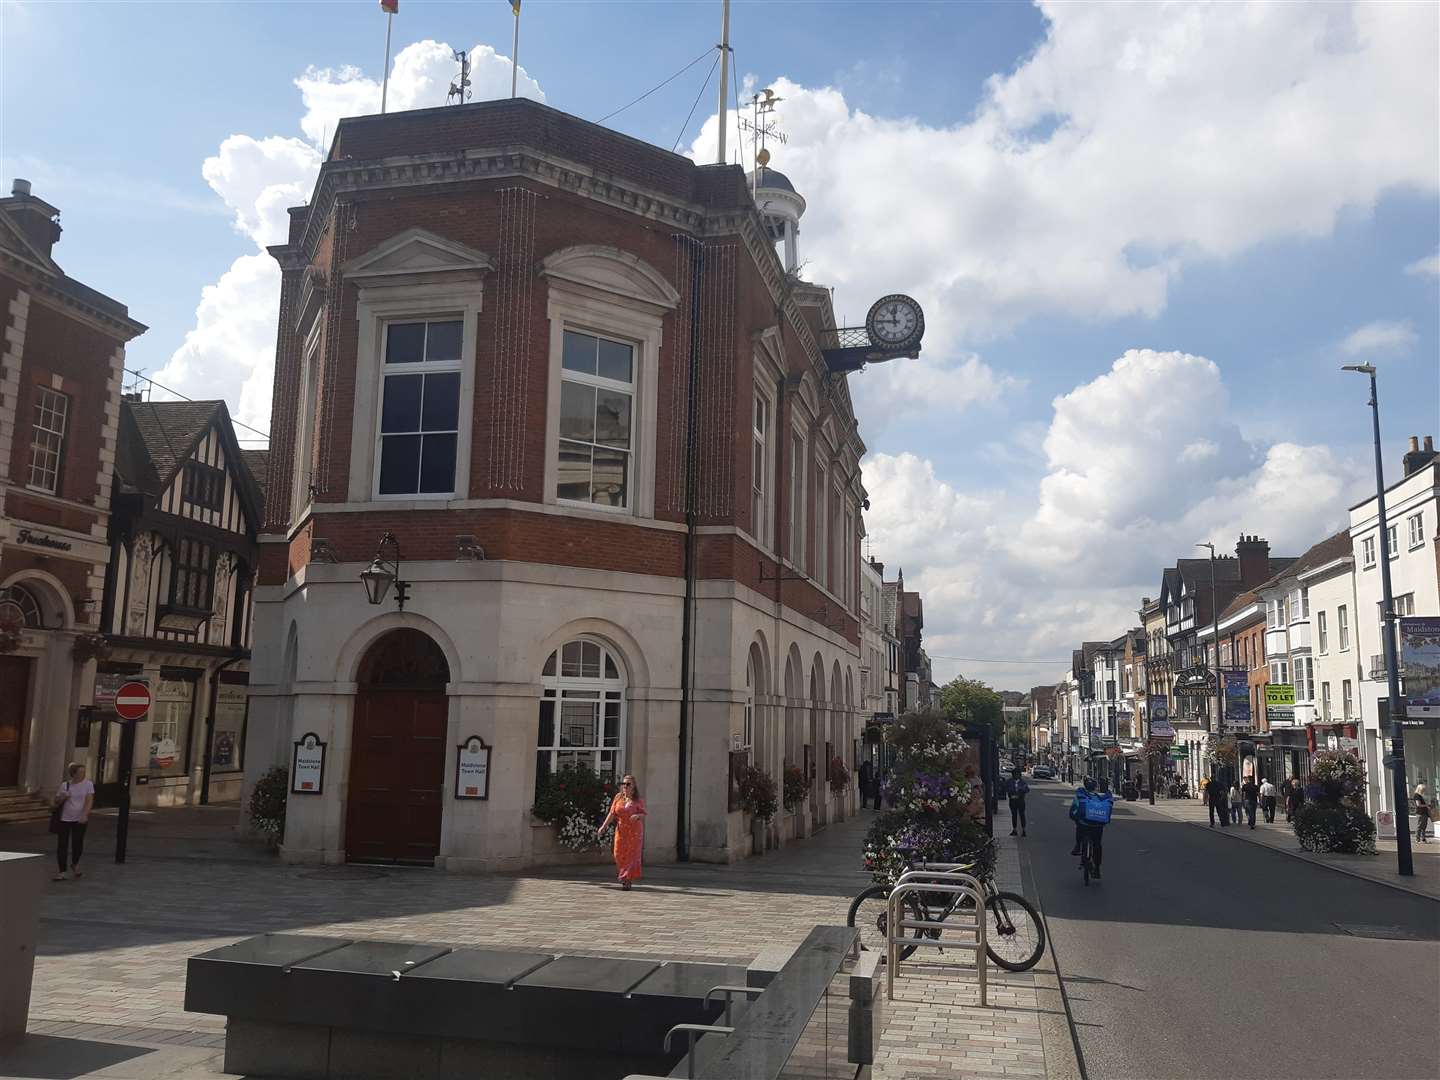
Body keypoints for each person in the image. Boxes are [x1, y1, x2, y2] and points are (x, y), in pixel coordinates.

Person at [598, 774, 646, 889]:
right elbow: (612, 813)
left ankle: (627, 879)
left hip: (634, 831)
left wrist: (637, 815)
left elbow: (643, 813)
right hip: (621, 830)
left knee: (631, 855)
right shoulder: (618, 797)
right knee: (618, 853)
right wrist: (603, 826)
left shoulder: (637, 800)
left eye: (628, 784)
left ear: (633, 786)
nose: (625, 786)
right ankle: (625, 876)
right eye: (623, 784)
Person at [52, 762, 93, 882]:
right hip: (64, 819)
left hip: (79, 819)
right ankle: (62, 871)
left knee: (77, 843)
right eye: (80, 772)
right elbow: (56, 801)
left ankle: (75, 863)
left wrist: (85, 815)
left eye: (84, 772)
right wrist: (63, 797)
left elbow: (89, 801)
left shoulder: (88, 784)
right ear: (73, 773)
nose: (83, 774)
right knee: (62, 845)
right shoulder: (65, 785)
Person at [1071, 777, 1112, 878]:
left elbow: (1073, 810)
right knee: (1097, 845)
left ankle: (1077, 846)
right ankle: (1097, 868)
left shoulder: (1080, 796)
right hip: (1097, 826)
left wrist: (1075, 818)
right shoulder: (1099, 798)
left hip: (1084, 824)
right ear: (1095, 787)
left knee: (1079, 826)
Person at [1070, 776, 1096, 855]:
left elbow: (1074, 808)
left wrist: (1073, 816)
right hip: (1095, 821)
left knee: (1079, 828)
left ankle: (1078, 846)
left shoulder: (1080, 795)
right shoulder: (1099, 796)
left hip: (1083, 821)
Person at [1006, 768, 1030, 837]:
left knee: (1022, 815)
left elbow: (1027, 789)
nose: (1016, 776)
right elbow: (1006, 788)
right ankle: (1014, 829)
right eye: (1015, 774)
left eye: (1017, 774)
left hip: (1020, 801)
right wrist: (1011, 792)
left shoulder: (1023, 782)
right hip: (1012, 801)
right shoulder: (1009, 781)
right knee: (1014, 815)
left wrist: (1021, 790)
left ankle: (1023, 830)